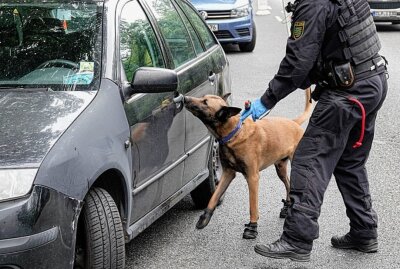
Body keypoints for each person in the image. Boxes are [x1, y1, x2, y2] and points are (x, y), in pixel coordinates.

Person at [240, 0, 388, 262]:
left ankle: (297, 239)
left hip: (347, 93)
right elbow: (320, 54)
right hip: (372, 82)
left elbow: (298, 62)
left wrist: (267, 100)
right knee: (350, 163)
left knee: (308, 161)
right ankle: (364, 231)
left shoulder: (313, 3)